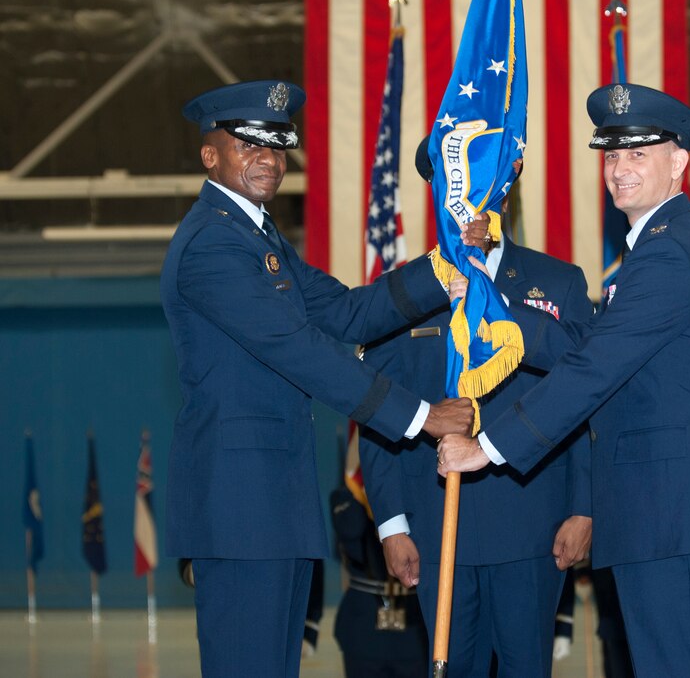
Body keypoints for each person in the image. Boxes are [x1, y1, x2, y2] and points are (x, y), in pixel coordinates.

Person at [160, 79, 478, 678]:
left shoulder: (259, 237)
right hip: (239, 509)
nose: (268, 159)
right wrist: (421, 416)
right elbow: (298, 349)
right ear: (210, 155)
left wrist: (446, 268)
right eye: (248, 144)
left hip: (274, 505)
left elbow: (348, 312)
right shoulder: (211, 245)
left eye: (278, 147)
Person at [438, 83, 690, 677]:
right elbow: (590, 345)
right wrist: (495, 307)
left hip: (672, 515)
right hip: (658, 514)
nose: (620, 169)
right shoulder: (652, 251)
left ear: (678, 162)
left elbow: (595, 367)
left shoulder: (669, 253)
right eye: (612, 155)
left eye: (638, 154)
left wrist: (488, 448)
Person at [358, 144, 594, 678]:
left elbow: (584, 400)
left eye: (482, 184)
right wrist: (392, 525)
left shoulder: (558, 283)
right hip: (435, 523)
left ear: (506, 190)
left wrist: (584, 506)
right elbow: (376, 411)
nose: (469, 202)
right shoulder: (405, 291)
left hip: (533, 521)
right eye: (455, 187)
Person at [329, 482, 429, 678]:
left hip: (413, 619)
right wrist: (361, 489)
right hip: (364, 623)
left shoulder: (412, 491)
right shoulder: (345, 496)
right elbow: (351, 530)